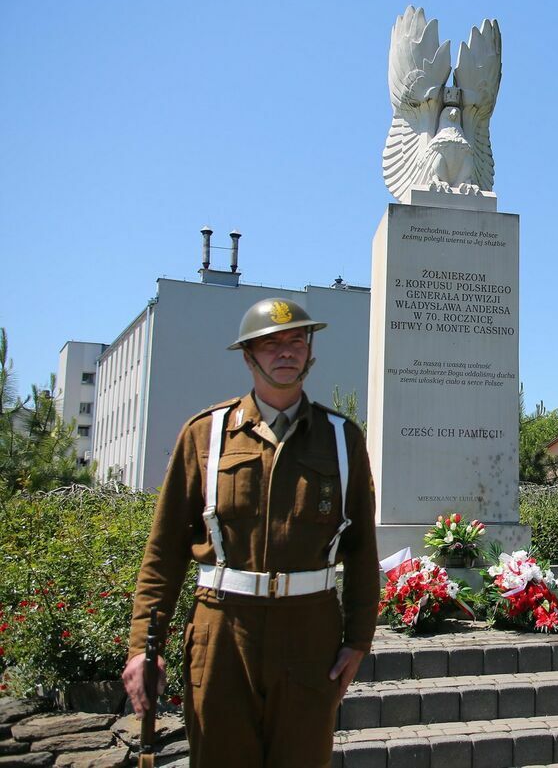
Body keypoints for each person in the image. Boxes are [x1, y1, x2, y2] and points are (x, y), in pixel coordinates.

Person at [121, 298, 379, 768]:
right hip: (223, 631)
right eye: (271, 342)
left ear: (310, 351)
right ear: (248, 356)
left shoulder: (343, 439)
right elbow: (164, 550)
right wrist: (143, 646)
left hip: (310, 632)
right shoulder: (205, 434)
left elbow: (361, 550)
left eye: (296, 340)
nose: (286, 351)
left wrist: (358, 640)